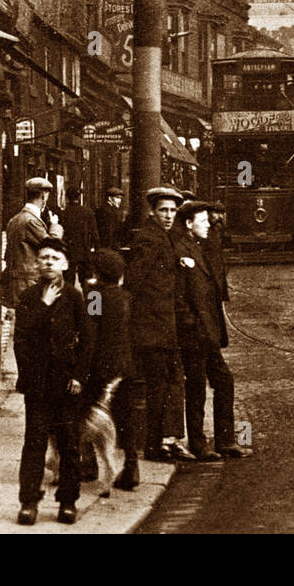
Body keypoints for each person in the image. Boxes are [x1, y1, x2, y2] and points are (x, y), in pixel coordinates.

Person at [14, 236, 91, 525]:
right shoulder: (29, 298)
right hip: (37, 385)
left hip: (67, 386)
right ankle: (29, 502)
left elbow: (88, 342)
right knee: (34, 443)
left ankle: (68, 502)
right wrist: (44, 307)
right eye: (43, 257)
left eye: (54, 258)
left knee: (69, 443)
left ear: (65, 264)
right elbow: (22, 341)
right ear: (36, 263)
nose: (48, 262)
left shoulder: (74, 297)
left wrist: (79, 376)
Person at [117, 186, 185, 487]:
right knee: (155, 388)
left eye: (172, 211)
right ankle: (152, 445)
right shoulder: (149, 237)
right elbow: (133, 280)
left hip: (162, 327)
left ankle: (154, 442)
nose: (169, 216)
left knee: (160, 387)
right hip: (151, 329)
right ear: (153, 212)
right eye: (163, 211)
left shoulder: (164, 237)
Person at [174, 199, 250, 460]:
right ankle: (199, 444)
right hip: (195, 333)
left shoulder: (198, 245)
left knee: (223, 382)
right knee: (196, 389)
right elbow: (180, 296)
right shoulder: (182, 249)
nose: (209, 225)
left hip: (207, 333)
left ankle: (225, 440)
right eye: (203, 221)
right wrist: (190, 324)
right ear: (188, 224)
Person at [79, 248, 134, 485]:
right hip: (125, 364)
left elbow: (90, 331)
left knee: (84, 411)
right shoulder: (125, 297)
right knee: (123, 416)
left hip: (100, 365)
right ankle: (131, 468)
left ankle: (88, 463)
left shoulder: (94, 296)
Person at [3, 177, 62, 310]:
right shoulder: (31, 221)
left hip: (18, 281)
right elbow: (52, 246)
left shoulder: (15, 219)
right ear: (43, 196)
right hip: (28, 282)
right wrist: (55, 225)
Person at [60, 187, 99, 289]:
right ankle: (91, 304)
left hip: (68, 251)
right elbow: (95, 234)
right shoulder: (88, 212)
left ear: (67, 198)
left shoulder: (64, 213)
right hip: (85, 251)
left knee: (68, 282)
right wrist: (97, 251)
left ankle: (71, 303)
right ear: (79, 197)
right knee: (87, 282)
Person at [95, 185, 127, 254]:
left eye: (121, 198)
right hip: (109, 248)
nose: (120, 201)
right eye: (117, 198)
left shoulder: (103, 209)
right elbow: (109, 232)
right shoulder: (109, 212)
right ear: (109, 198)